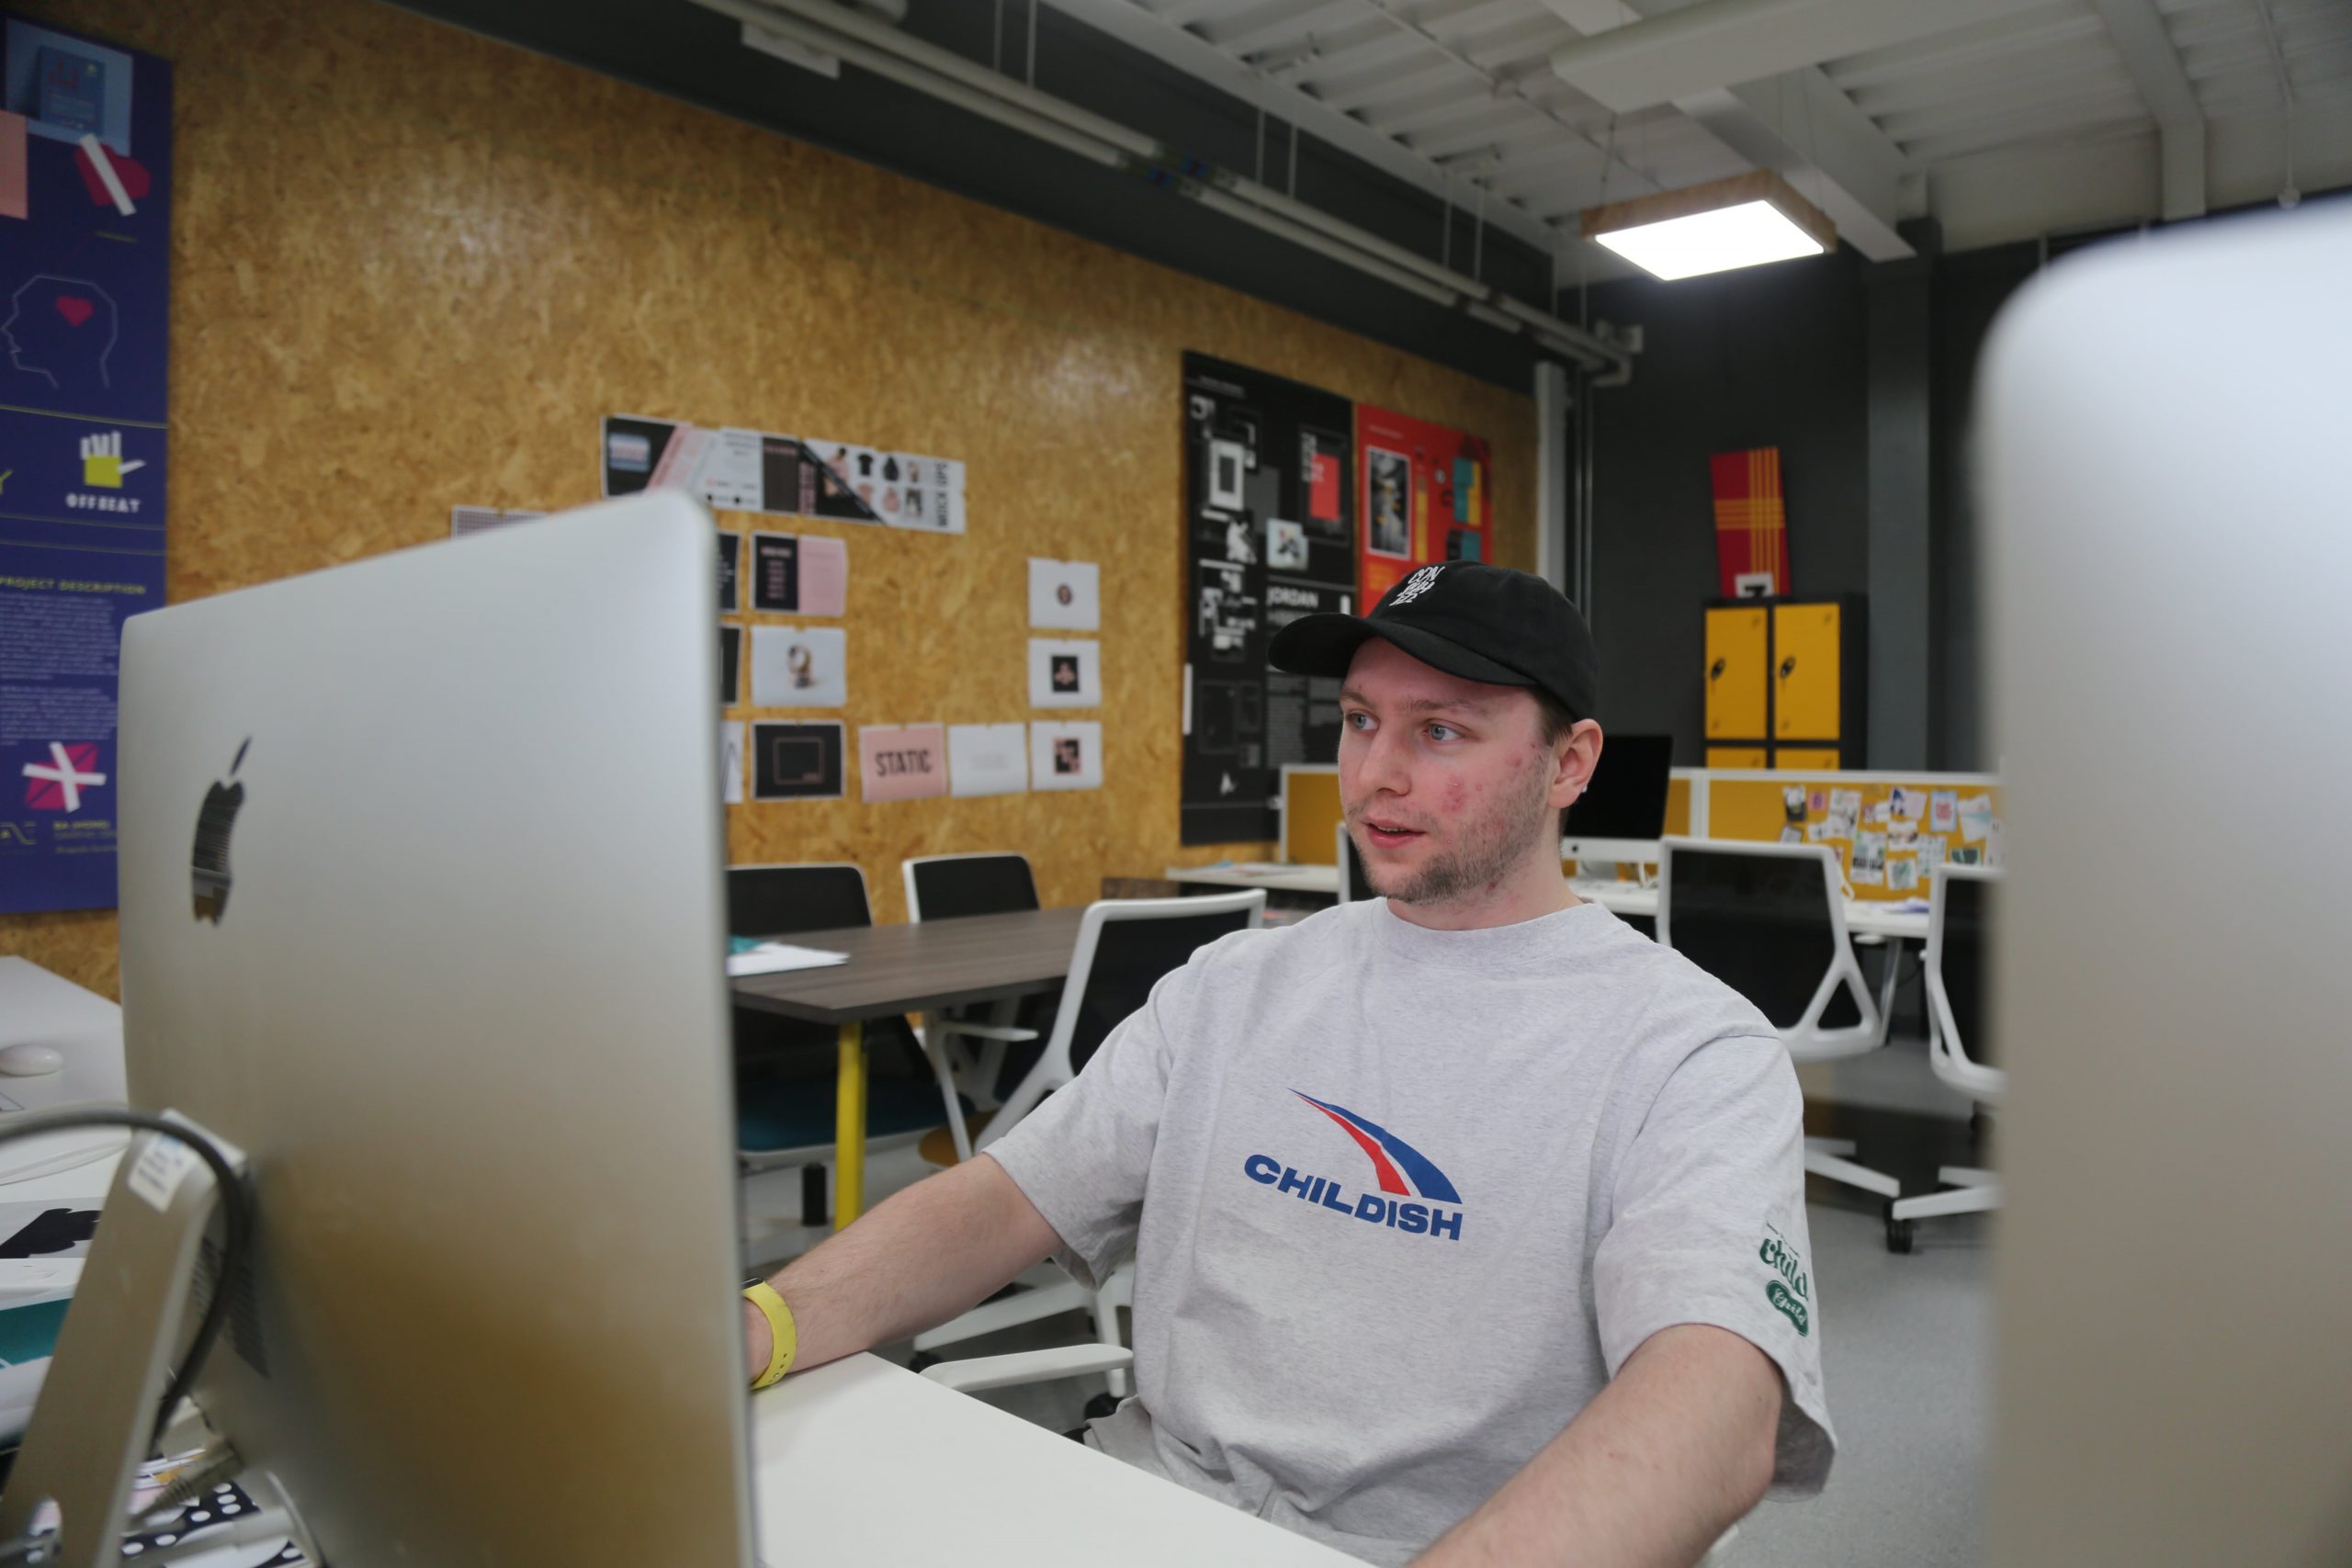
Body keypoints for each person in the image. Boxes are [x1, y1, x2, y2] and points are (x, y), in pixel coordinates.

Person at [741, 563, 1834, 1567]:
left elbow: (1718, 1407)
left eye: (1440, 732)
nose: (1374, 775)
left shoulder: (1690, 1051)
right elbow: (1003, 1201)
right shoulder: (1234, 985)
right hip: (1143, 1509)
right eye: (1360, 722)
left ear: (1570, 763)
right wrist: (767, 1326)